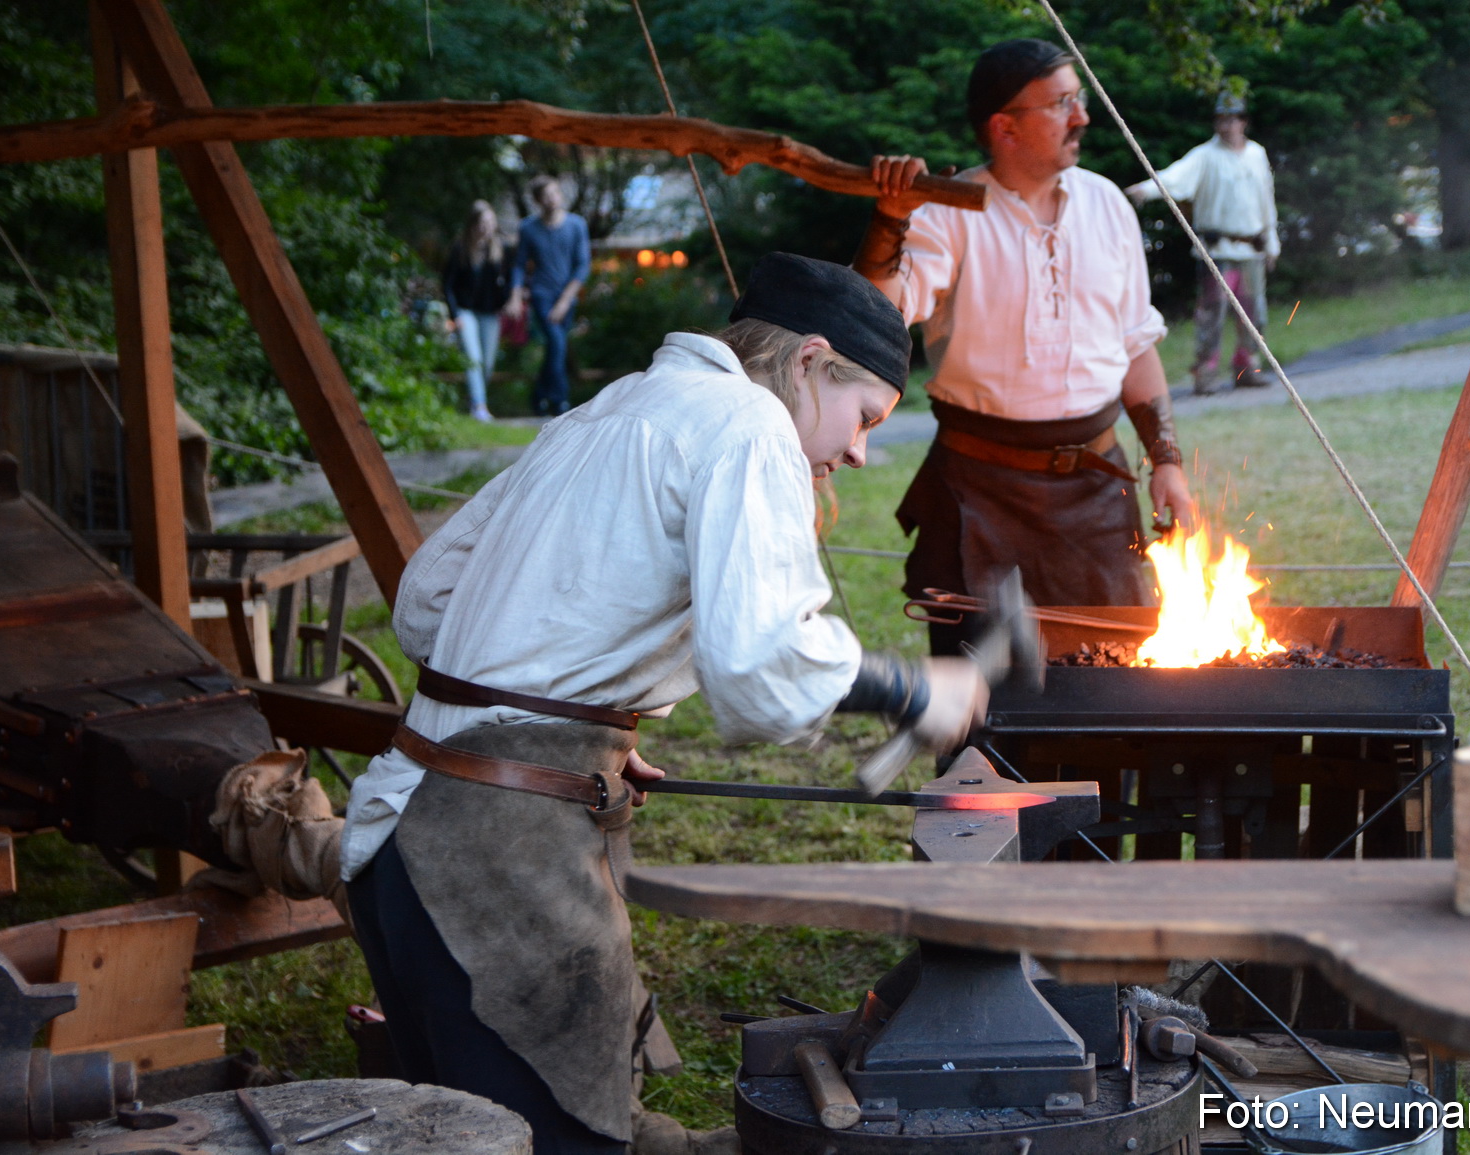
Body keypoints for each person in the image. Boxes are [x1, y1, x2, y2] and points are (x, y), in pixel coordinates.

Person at [339, 253, 990, 1155]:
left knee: (457, 1136)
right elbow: (763, 664)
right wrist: (912, 687)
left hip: (399, 841)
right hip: (491, 867)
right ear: (809, 362)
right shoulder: (749, 423)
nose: (857, 451)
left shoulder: (603, 409)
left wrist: (581, 724)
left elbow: (427, 600)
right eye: (865, 416)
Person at [857, 38, 1196, 652]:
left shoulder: (1108, 204)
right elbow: (880, 308)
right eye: (1062, 103)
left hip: (1098, 493)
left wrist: (1166, 460)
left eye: (1079, 99)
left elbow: (1135, 346)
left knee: (1117, 678)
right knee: (981, 696)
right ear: (1004, 127)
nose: (1081, 116)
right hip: (980, 494)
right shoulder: (946, 212)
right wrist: (890, 219)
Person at [1126, 92, 1280, 395]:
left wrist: (1272, 244)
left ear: (1243, 122)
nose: (1226, 126)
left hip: (1251, 249)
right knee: (1212, 314)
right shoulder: (1205, 155)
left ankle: (1247, 368)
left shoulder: (1256, 154)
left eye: (1232, 120)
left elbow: (1266, 200)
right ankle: (1206, 373)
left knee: (1254, 314)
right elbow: (1175, 177)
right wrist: (1146, 189)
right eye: (1221, 120)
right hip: (1217, 252)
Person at [510, 175, 591, 415]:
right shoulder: (528, 228)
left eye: (555, 193)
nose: (552, 199)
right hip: (542, 294)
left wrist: (565, 301)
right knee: (557, 342)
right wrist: (515, 295)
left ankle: (538, 397)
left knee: (557, 347)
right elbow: (519, 265)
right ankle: (560, 401)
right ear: (538, 201)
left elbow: (582, 265)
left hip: (567, 296)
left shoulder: (576, 225)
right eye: (546, 196)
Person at [443, 200, 514, 422]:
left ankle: (473, 398)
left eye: (490, 222)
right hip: (465, 311)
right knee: (473, 357)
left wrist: (507, 301)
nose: (486, 227)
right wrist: (455, 315)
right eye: (482, 222)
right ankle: (480, 406)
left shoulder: (501, 249)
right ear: (473, 224)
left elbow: (510, 280)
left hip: (490, 313)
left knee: (487, 363)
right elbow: (448, 284)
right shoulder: (460, 249)